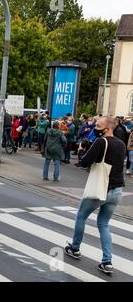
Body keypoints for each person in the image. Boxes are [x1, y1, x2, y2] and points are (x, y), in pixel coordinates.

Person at [65, 116, 125, 275]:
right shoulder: (121, 144)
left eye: (98, 126)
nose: (95, 128)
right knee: (104, 224)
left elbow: (85, 162)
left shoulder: (101, 142)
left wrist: (80, 151)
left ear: (108, 128)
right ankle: (107, 261)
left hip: (100, 189)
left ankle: (75, 248)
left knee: (81, 216)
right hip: (117, 190)